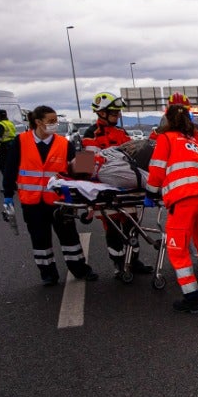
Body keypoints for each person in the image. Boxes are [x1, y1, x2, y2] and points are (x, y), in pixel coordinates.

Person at [0, 105, 98, 286]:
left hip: (59, 201)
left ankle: (80, 269)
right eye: (51, 121)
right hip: (32, 202)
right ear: (38, 122)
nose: (55, 124)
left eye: (56, 121)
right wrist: (7, 196)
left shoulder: (64, 143)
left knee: (69, 238)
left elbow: (80, 171)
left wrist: (89, 196)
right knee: (40, 239)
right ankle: (48, 274)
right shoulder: (20, 142)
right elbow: (10, 170)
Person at [148, 102, 198, 313]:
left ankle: (193, 298)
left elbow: (157, 168)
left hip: (182, 199)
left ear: (167, 120)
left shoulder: (166, 138)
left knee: (177, 250)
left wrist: (151, 192)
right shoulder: (192, 140)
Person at [80, 92, 151, 275]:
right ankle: (119, 264)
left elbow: (133, 156)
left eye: (118, 112)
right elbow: (85, 167)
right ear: (101, 112)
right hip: (106, 191)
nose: (118, 115)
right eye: (114, 112)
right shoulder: (90, 135)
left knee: (132, 225)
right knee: (112, 229)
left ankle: (134, 261)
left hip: (127, 189)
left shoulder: (122, 133)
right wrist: (88, 199)